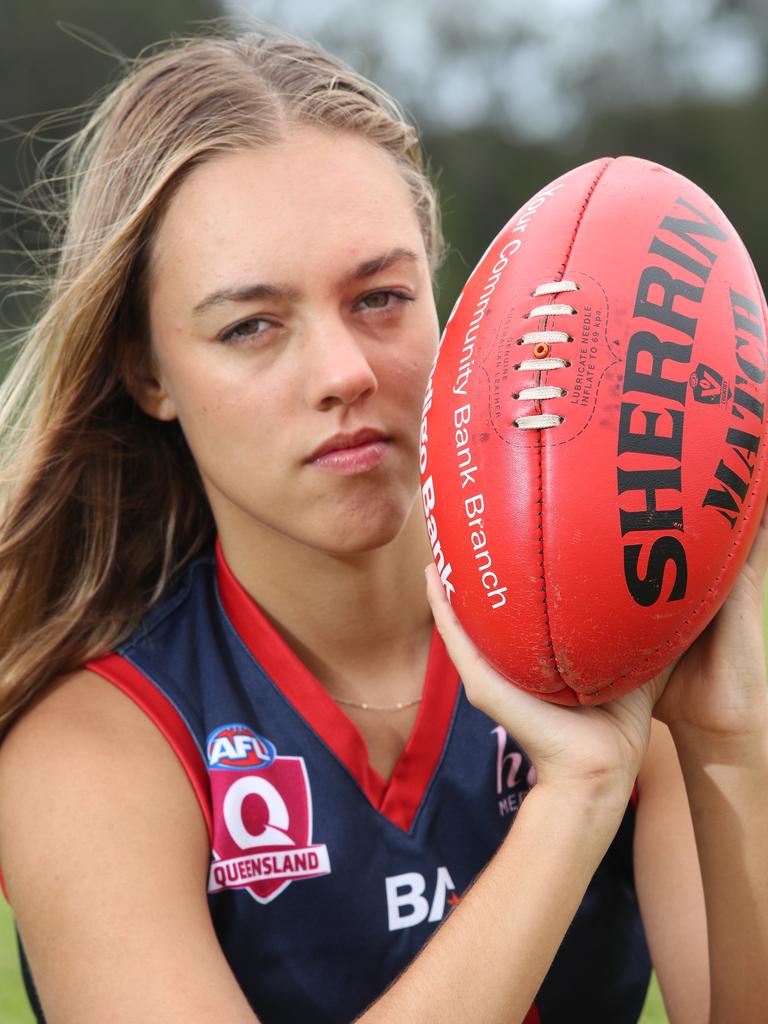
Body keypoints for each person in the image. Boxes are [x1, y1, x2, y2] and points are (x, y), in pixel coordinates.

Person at [0, 25, 766, 1024]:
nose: (344, 373)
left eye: (381, 298)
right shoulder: (94, 747)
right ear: (149, 374)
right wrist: (572, 800)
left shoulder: (605, 634)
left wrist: (728, 742)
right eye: (251, 326)